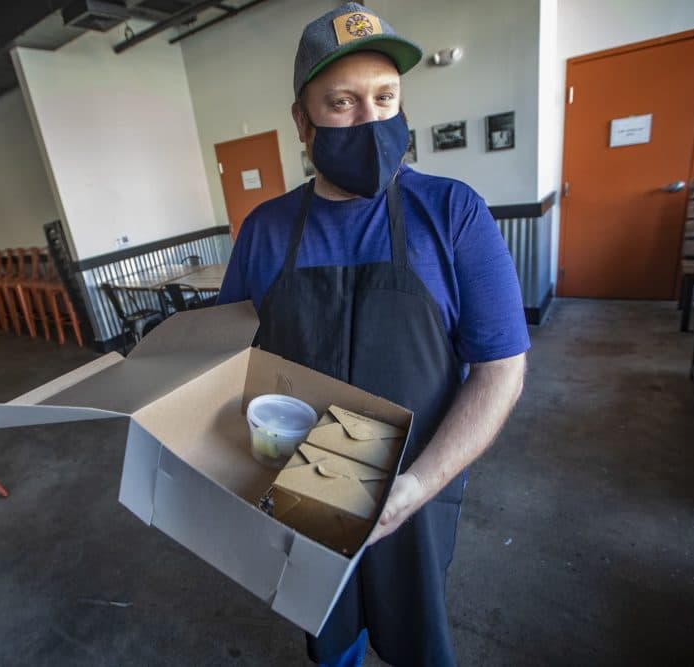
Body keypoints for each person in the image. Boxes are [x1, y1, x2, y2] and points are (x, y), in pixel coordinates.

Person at [217, 4, 529, 665]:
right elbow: (226, 359)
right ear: (303, 122)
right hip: (307, 479)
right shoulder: (266, 230)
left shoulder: (451, 212)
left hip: (416, 483)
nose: (372, 120)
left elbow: (501, 368)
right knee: (329, 627)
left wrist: (418, 484)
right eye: (343, 102)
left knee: (417, 629)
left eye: (386, 98)